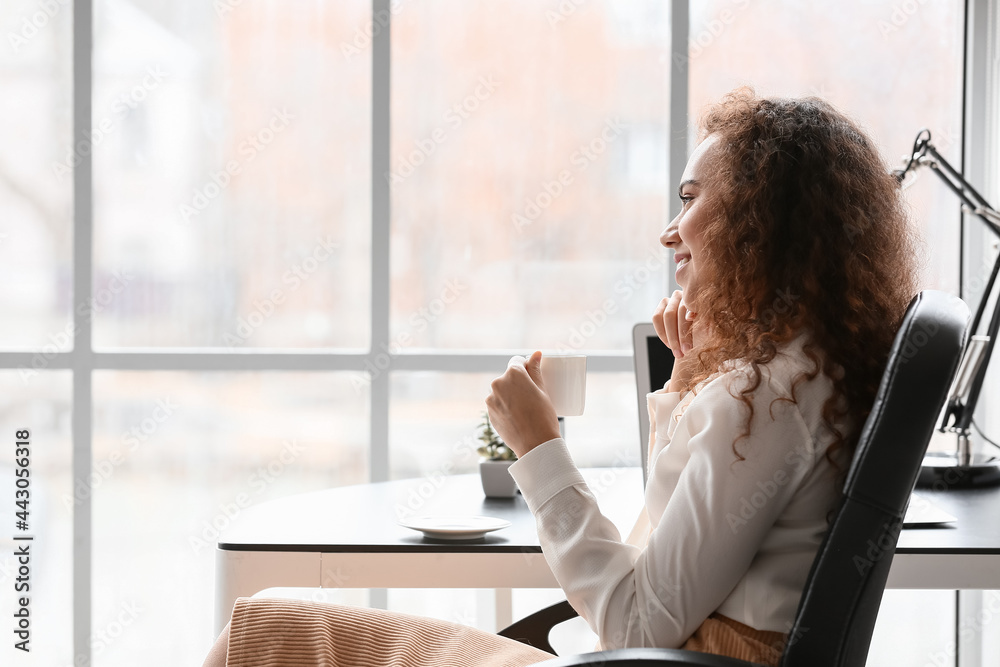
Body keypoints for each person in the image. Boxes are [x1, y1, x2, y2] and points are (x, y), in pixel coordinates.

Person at [202, 88, 918, 667]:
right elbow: (667, 549)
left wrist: (538, 446)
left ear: (759, 220)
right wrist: (689, 384)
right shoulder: (806, 375)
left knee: (253, 639)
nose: (671, 229)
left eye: (692, 197)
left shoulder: (763, 397)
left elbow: (637, 620)